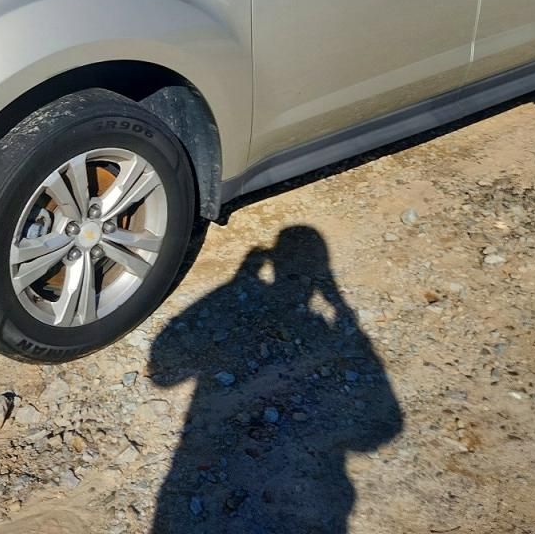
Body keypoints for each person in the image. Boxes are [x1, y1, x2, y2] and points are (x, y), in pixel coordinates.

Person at [149, 225, 403, 533]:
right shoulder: (322, 327)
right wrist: (340, 308)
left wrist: (238, 282)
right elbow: (381, 429)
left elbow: (162, 371)